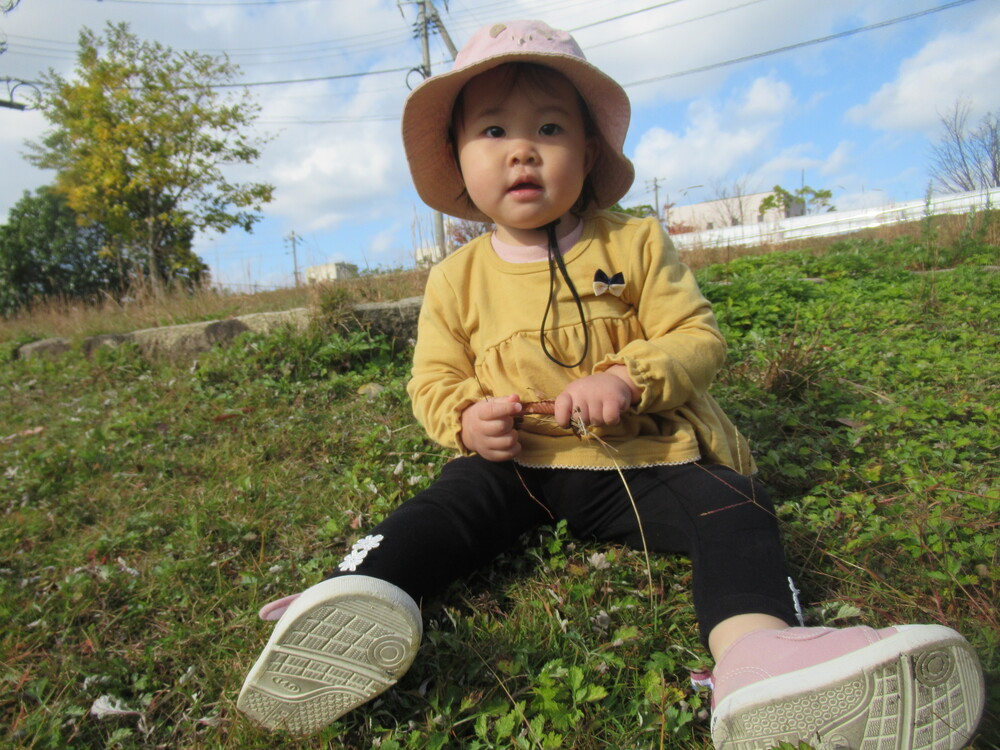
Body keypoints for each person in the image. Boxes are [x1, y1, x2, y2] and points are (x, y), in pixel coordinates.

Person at [237, 20, 985, 748]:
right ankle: (354, 594)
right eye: (493, 132)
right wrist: (468, 421)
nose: (523, 150)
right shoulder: (454, 278)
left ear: (590, 153)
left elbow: (698, 337)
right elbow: (433, 378)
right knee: (441, 512)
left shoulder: (633, 240)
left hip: (641, 458)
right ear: (457, 158)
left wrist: (627, 378)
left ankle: (757, 657)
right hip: (515, 466)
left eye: (551, 130)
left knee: (736, 508)